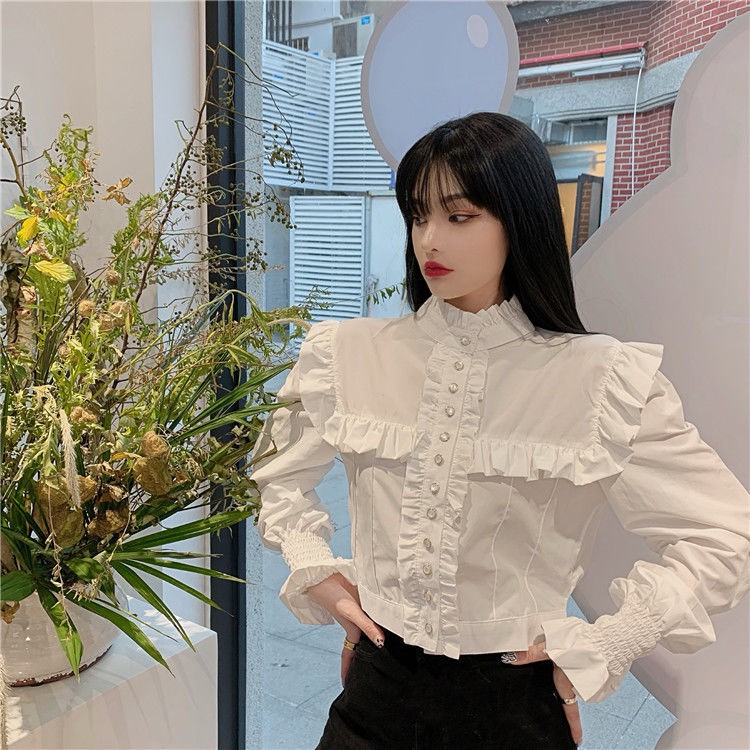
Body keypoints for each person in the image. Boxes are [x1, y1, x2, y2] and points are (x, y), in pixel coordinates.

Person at [249, 111, 750, 749]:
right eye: (418, 215)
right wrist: (315, 568)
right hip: (376, 688)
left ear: (521, 219)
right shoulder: (347, 355)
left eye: (460, 216)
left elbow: (724, 532)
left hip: (515, 704)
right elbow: (276, 477)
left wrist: (607, 643)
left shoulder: (600, 378)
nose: (430, 240)